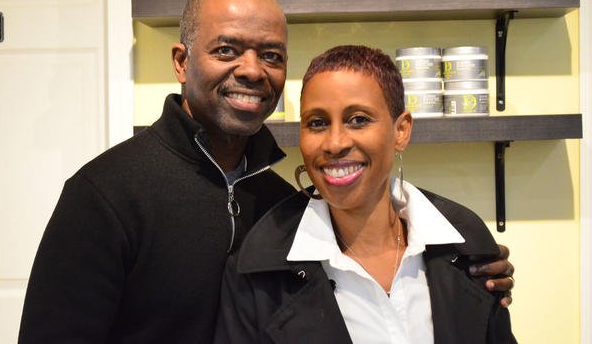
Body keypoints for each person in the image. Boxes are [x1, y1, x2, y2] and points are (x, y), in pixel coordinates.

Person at [19, 0, 513, 343]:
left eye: (271, 55)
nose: (252, 70)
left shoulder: (283, 207)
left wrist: (467, 272)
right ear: (181, 61)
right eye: (227, 50)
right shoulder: (105, 194)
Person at [215, 45, 517, 343]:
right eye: (317, 123)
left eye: (358, 119)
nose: (335, 143)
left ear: (401, 131)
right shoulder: (255, 271)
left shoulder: (466, 244)